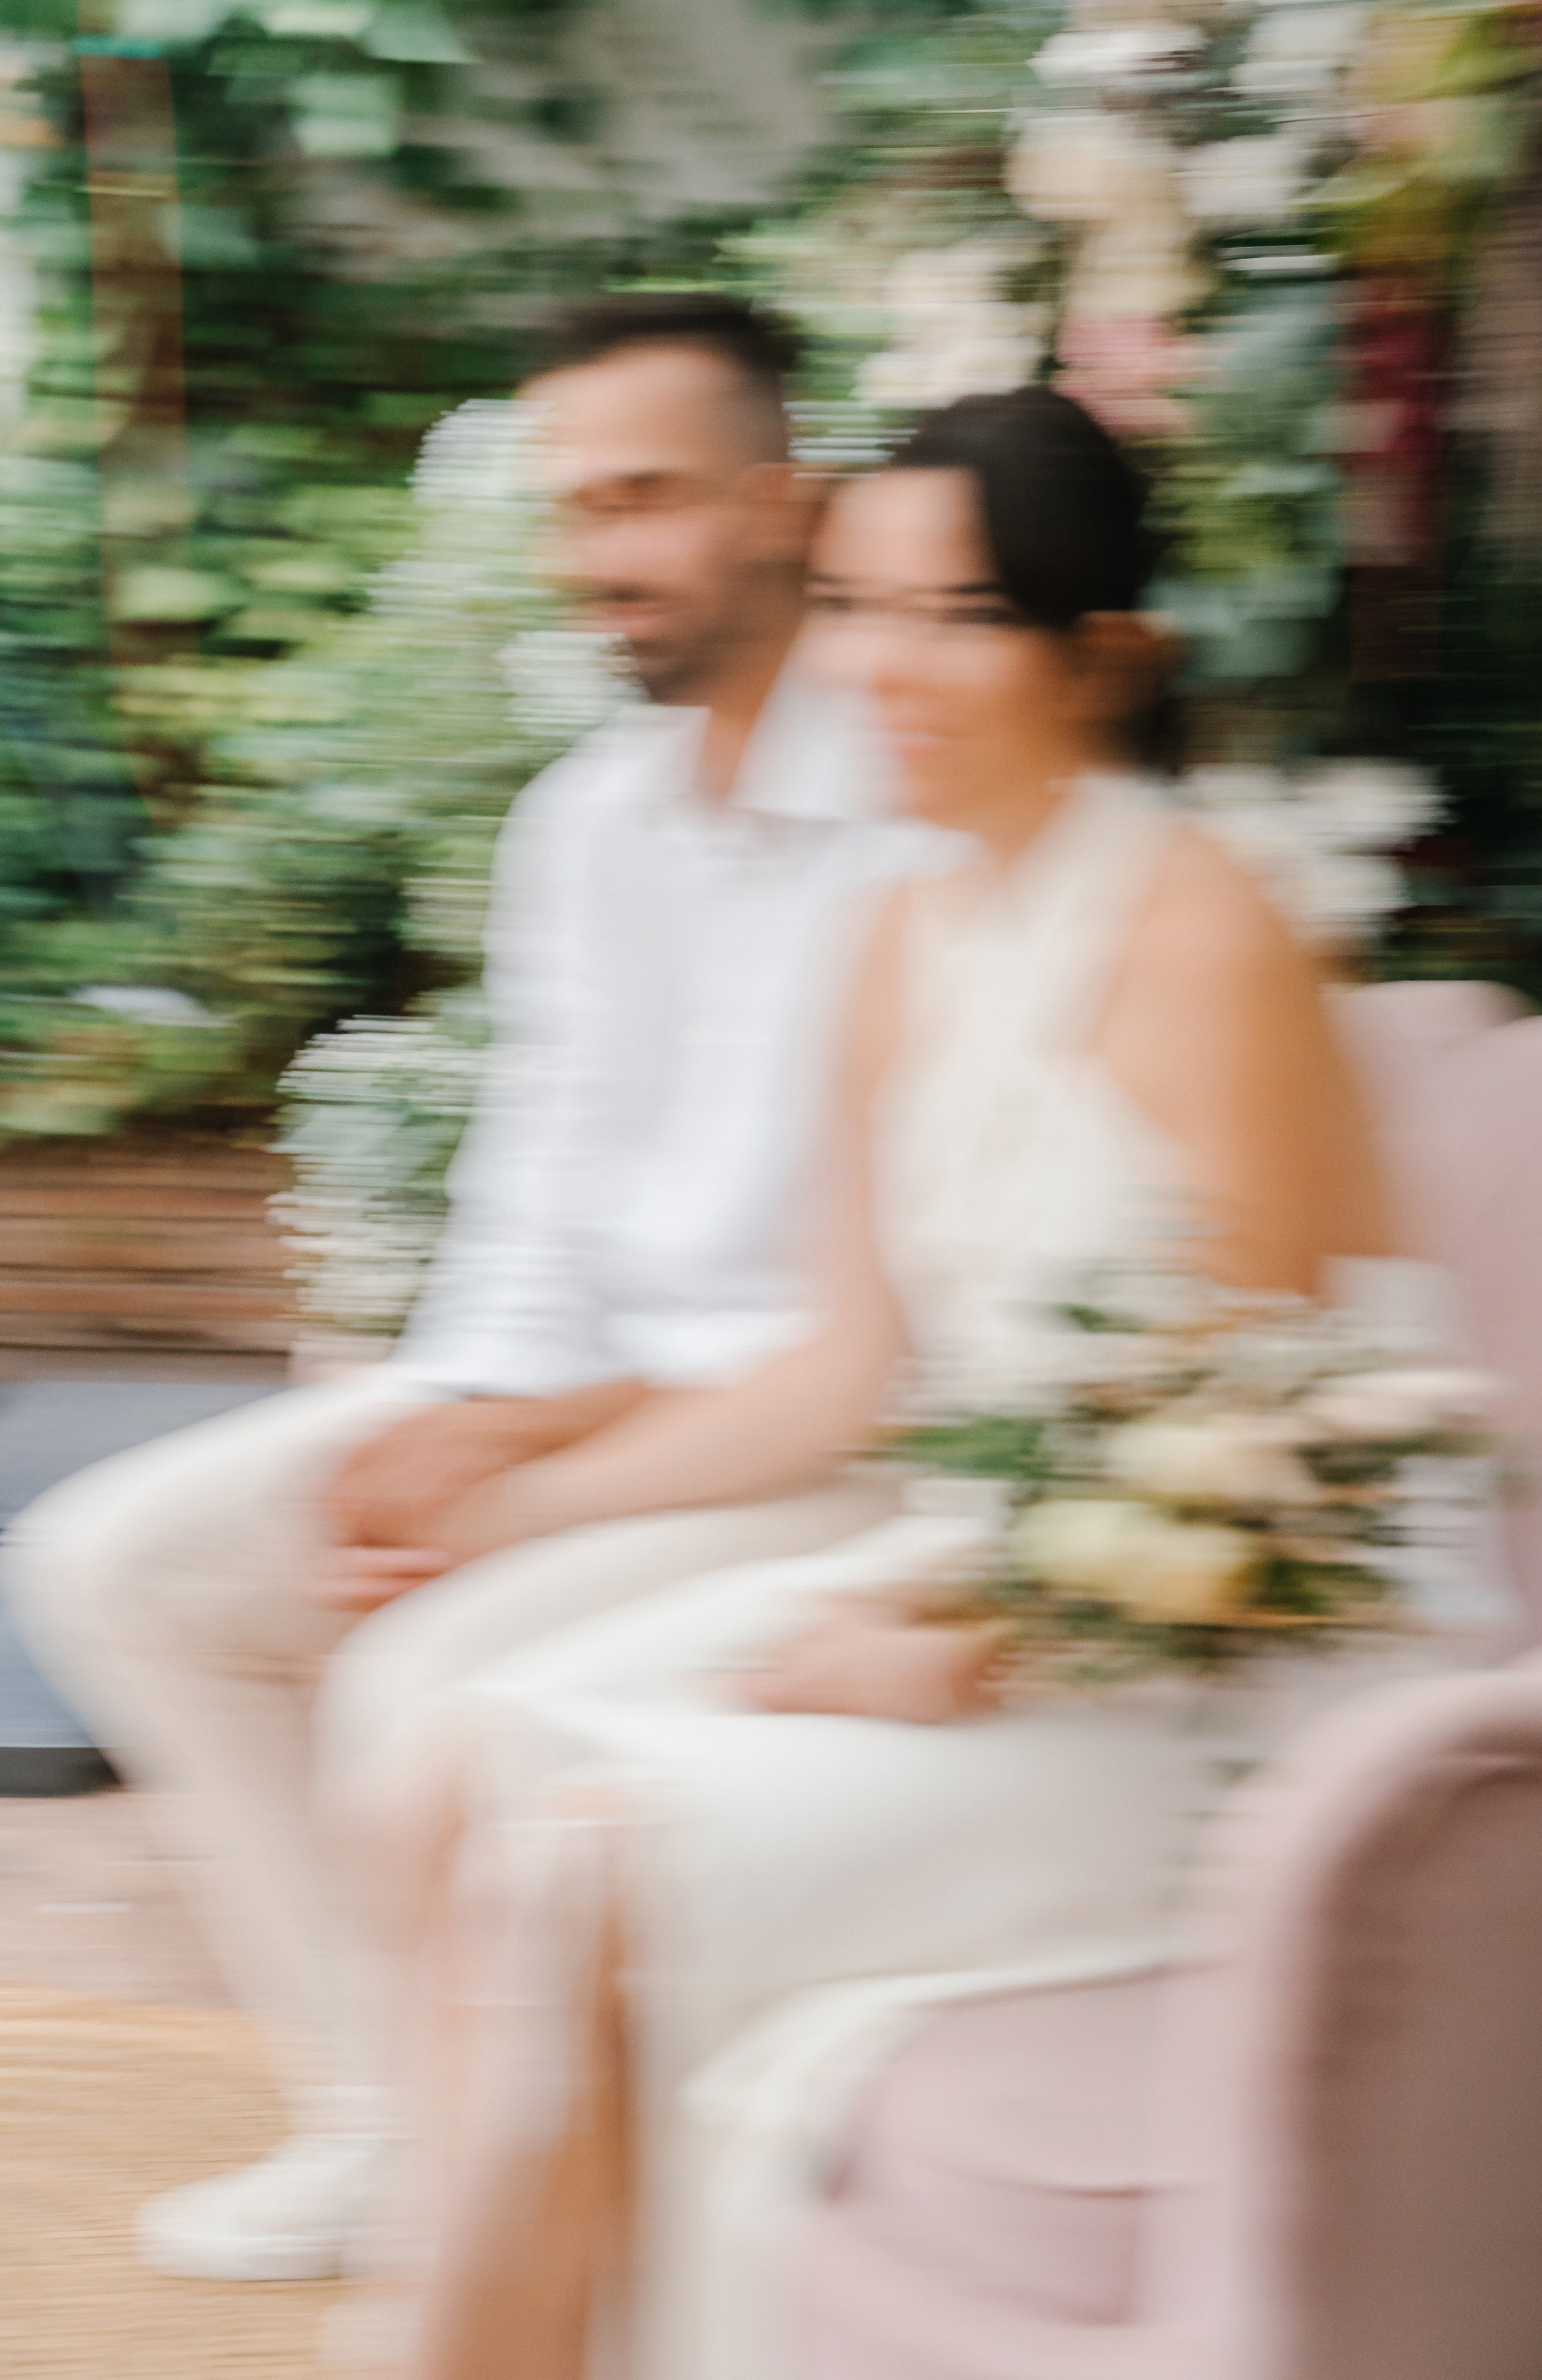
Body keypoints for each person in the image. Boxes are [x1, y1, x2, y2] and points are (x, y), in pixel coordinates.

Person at [346, 387, 1502, 2380]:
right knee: (454, 1758)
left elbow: (1259, 1445)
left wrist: (967, 1643)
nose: (878, 665)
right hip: (1007, 1573)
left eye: (955, 617)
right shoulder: (896, 925)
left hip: (1232, 1664)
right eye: (855, 604)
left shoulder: (1207, 926)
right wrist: (501, 1509)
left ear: (1101, 653)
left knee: (576, 1853)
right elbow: (847, 1369)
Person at [2, 294, 949, 2284]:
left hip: (830, 1442)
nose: (597, 553)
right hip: (598, 1391)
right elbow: (543, 1182)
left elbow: (877, 1326)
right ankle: (384, 2119)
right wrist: (447, 1420)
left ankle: (506, 2183)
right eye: (570, 507)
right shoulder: (587, 821)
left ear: (785, 504)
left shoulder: (926, 807)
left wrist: (530, 1463)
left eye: (644, 497)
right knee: (119, 1561)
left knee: (416, 1677)